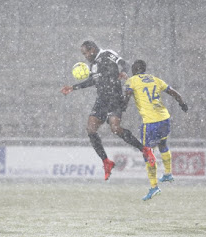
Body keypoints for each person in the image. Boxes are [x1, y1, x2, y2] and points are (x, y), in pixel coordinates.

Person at [61, 41, 156, 181]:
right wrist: (73, 87)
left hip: (114, 97)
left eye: (85, 53)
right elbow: (92, 81)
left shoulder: (107, 54)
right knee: (90, 129)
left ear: (92, 49)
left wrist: (123, 71)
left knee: (116, 129)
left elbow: (124, 63)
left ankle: (145, 150)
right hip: (101, 100)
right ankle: (106, 162)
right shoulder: (93, 66)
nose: (85, 56)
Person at [123, 60, 188, 201]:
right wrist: (182, 103)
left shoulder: (131, 81)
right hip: (165, 118)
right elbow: (173, 92)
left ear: (134, 70)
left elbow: (127, 97)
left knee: (147, 151)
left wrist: (120, 108)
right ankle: (168, 173)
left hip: (150, 122)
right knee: (163, 144)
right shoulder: (154, 79)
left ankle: (154, 187)